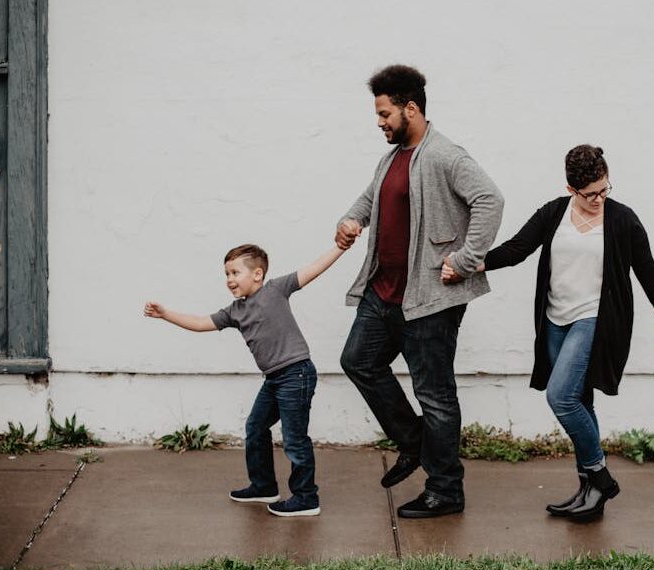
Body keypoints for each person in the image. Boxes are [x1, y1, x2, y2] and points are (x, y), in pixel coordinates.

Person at [444, 144, 654, 520]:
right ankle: (589, 493)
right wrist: (470, 265)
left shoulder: (622, 219)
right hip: (555, 321)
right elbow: (518, 248)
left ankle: (600, 477)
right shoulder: (555, 213)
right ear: (572, 189)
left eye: (605, 190)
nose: (600, 199)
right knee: (580, 401)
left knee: (561, 397)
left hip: (595, 320)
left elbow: (648, 271)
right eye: (591, 194)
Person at [336, 64, 504, 519]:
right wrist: (351, 220)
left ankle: (446, 489)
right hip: (383, 293)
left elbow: (491, 199)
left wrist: (466, 259)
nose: (380, 122)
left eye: (385, 113)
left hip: (428, 299)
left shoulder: (445, 155)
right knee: (358, 361)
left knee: (435, 395)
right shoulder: (391, 157)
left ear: (411, 108)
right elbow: (371, 198)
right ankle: (414, 444)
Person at [144, 243, 345, 517]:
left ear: (257, 274)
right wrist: (165, 314)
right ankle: (263, 486)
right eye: (226, 274)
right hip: (274, 379)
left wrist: (340, 247)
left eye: (235, 273)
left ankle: (306, 497)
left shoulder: (276, 289)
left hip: (296, 374)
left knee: (295, 439)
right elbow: (201, 322)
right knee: (256, 427)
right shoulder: (235, 311)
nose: (229, 280)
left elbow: (313, 269)